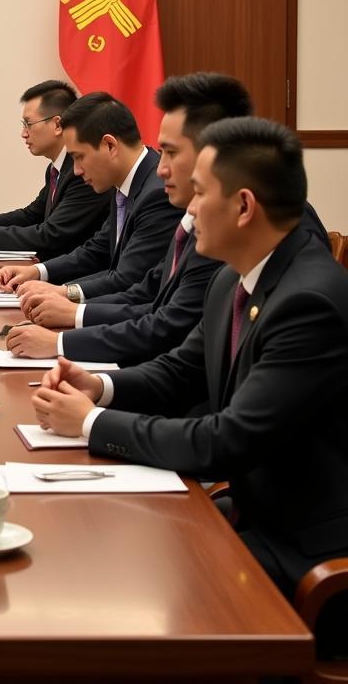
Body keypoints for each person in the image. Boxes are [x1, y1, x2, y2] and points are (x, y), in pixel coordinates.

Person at [32, 117, 348, 606]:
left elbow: (229, 439)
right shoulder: (233, 279)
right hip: (249, 514)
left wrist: (92, 423)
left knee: (123, 586)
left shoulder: (309, 302)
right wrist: (97, 386)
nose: (189, 209)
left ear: (244, 206)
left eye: (200, 194)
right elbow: (180, 371)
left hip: (305, 556)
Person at [2, 73, 249, 363]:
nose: (162, 168)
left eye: (171, 152)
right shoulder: (145, 196)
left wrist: (65, 330)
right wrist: (62, 295)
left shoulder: (165, 200)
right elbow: (146, 289)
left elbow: (156, 315)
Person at [0, 91, 181, 302]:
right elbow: (96, 251)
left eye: (79, 157)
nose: (76, 171)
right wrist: (37, 271)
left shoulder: (158, 193)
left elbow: (128, 280)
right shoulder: (124, 183)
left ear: (110, 145)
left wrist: (64, 293)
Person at [0, 80, 110, 259]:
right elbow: (32, 215)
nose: (23, 133)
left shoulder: (83, 172)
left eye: (29, 124)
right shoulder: (56, 169)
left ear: (57, 125)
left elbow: (51, 234)